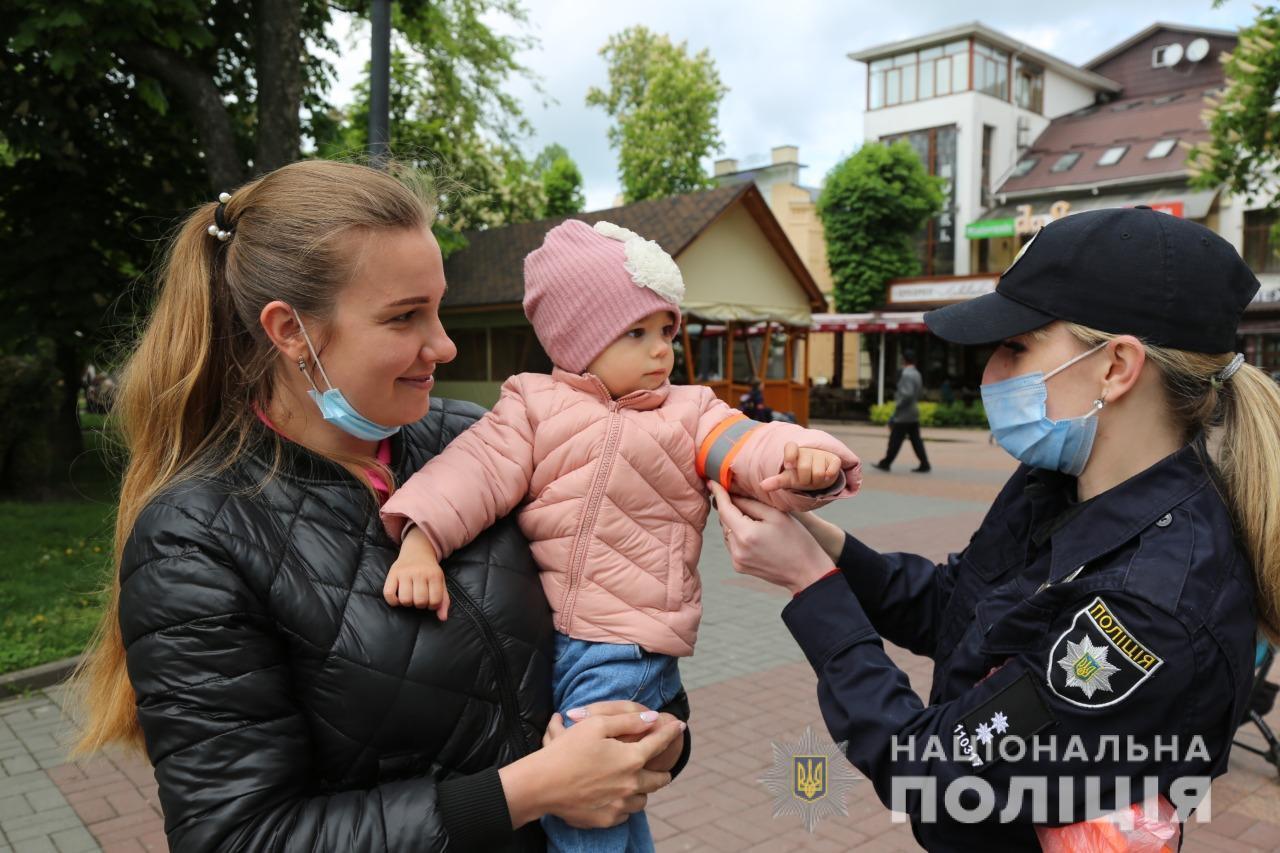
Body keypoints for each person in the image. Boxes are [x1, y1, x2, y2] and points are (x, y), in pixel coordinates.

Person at [72, 160, 696, 853]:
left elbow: (602, 623)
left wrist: (655, 730)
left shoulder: (476, 441)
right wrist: (529, 790)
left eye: (438, 307)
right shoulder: (197, 540)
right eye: (405, 317)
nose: (444, 344)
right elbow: (239, 836)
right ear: (289, 331)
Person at [708, 207, 1280, 850]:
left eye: (1016, 347)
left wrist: (811, 587)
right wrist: (819, 539)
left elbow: (934, 775)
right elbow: (955, 607)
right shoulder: (1057, 482)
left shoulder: (1151, 610)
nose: (989, 376)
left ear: (1117, 366)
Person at [377, 218, 862, 852]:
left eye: (666, 330)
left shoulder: (690, 414)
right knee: (615, 797)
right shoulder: (531, 406)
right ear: (577, 340)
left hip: (626, 643)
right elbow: (472, 473)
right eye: (636, 333)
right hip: (553, 639)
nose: (661, 349)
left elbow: (749, 445)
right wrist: (420, 540)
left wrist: (804, 456)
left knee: (584, 786)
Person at [874, 348, 931, 473]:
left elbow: (907, 394)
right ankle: (924, 463)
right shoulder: (917, 373)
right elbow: (919, 392)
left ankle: (886, 463)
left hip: (904, 413)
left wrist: (897, 408)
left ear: (904, 360)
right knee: (916, 440)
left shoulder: (906, 374)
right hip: (913, 411)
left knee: (895, 439)